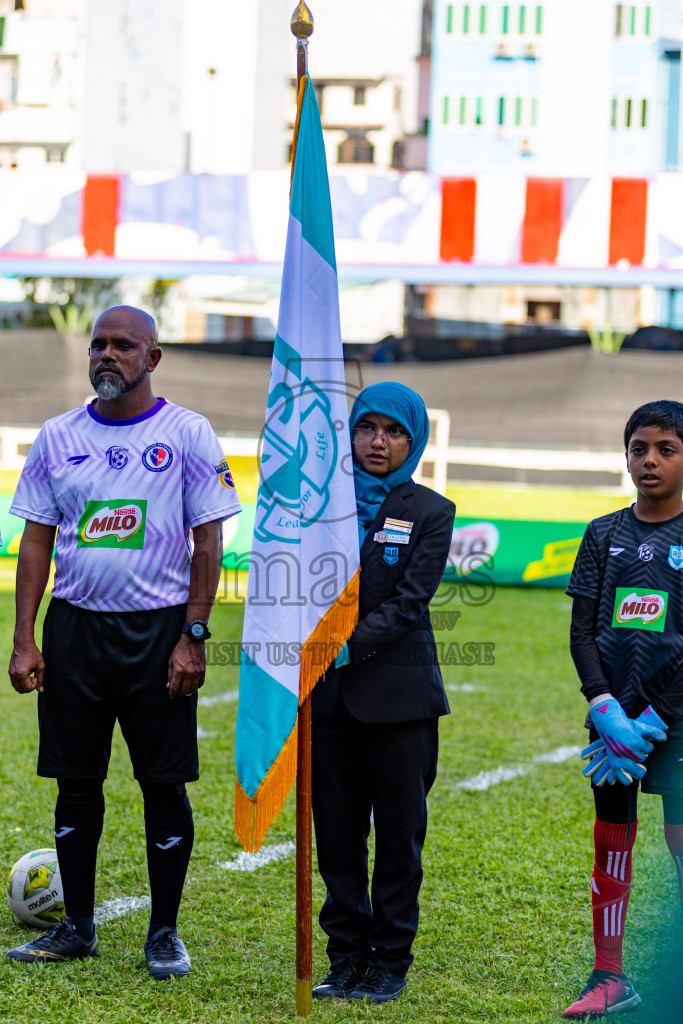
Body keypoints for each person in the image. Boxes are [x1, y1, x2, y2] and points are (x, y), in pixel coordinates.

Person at [6, 306, 240, 980]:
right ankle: (75, 928)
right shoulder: (57, 436)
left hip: (158, 631)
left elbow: (208, 538)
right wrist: (25, 639)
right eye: (99, 344)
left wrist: (193, 636)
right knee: (75, 785)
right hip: (75, 630)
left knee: (162, 785)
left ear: (152, 358)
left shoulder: (187, 434)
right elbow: (36, 542)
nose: (107, 355)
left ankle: (163, 933)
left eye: (124, 345)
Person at [310, 381, 455, 1004]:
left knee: (399, 839)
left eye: (394, 431)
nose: (378, 441)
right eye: (368, 427)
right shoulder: (321, 506)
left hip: (400, 704)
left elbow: (409, 604)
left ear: (413, 438)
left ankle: (390, 961)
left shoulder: (431, 511)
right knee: (338, 839)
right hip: (328, 703)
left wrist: (341, 644)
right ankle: (344, 959)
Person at [564, 399, 683, 1018]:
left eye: (666, 448)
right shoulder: (603, 533)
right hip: (612, 723)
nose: (650, 460)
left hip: (676, 721)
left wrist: (657, 717)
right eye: (640, 448)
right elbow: (583, 630)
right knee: (613, 844)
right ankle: (609, 977)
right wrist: (604, 704)